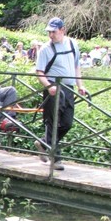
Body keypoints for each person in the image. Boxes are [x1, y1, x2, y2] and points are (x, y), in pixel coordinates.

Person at [35, 17, 87, 171]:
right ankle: (55, 158)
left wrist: (80, 85)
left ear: (62, 30)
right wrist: (48, 86)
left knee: (67, 123)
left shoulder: (72, 44)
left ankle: (44, 142)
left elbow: (76, 66)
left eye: (54, 32)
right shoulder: (46, 49)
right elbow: (39, 72)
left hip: (68, 88)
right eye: (49, 32)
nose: (51, 35)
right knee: (53, 122)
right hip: (53, 88)